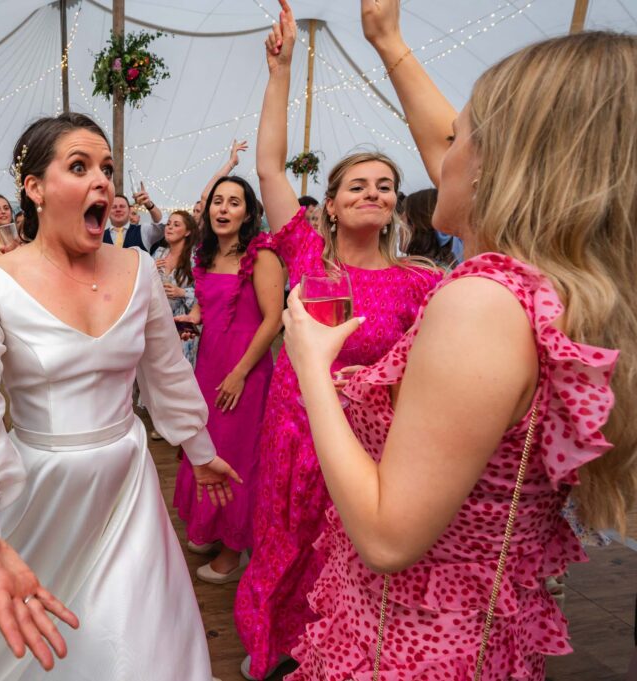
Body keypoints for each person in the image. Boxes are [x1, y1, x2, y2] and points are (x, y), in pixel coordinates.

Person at [282, 4, 637, 679]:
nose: (442, 153)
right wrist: (388, 43)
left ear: (501, 162)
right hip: (469, 636)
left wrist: (312, 368)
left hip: (411, 646)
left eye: (462, 135)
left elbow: (389, 536)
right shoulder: (548, 291)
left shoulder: (481, 304)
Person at [0, 112, 239, 681]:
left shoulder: (138, 270)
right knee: (33, 643)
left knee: (138, 642)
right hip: (39, 488)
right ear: (34, 188)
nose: (103, 181)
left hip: (128, 484)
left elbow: (165, 372)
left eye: (107, 168)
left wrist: (199, 448)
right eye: (80, 166)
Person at [233, 5, 444, 679]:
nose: (373, 192)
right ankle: (276, 651)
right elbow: (268, 163)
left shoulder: (419, 282)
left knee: (348, 555)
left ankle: (339, 657)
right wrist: (281, 69)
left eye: (385, 185)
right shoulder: (305, 252)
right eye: (358, 184)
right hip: (296, 431)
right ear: (331, 203)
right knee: (286, 548)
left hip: (374, 445)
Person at [173, 176, 285, 586]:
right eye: (217, 201)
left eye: (233, 202)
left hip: (246, 372)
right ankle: (211, 527)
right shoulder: (204, 255)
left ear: (248, 213)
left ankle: (233, 550)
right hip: (208, 366)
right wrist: (190, 321)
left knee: (238, 456)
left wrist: (240, 373)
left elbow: (273, 319)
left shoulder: (262, 255)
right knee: (206, 446)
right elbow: (207, 308)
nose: (222, 209)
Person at [152, 211, 200, 367]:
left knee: (178, 372)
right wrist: (150, 269)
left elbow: (205, 292)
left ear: (187, 232)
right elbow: (144, 285)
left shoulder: (195, 258)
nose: (170, 228)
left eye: (176, 225)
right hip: (157, 322)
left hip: (182, 326)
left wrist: (182, 292)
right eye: (168, 224)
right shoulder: (159, 253)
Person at [401, 188, 459, 269]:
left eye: (402, 220)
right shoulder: (448, 268)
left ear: (414, 226)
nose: (398, 229)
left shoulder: (420, 274)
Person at [102, 182, 164, 251]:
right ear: (107, 212)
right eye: (114, 207)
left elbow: (161, 227)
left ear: (129, 211)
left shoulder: (142, 231)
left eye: (122, 206)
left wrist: (149, 205)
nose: (118, 209)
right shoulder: (100, 237)